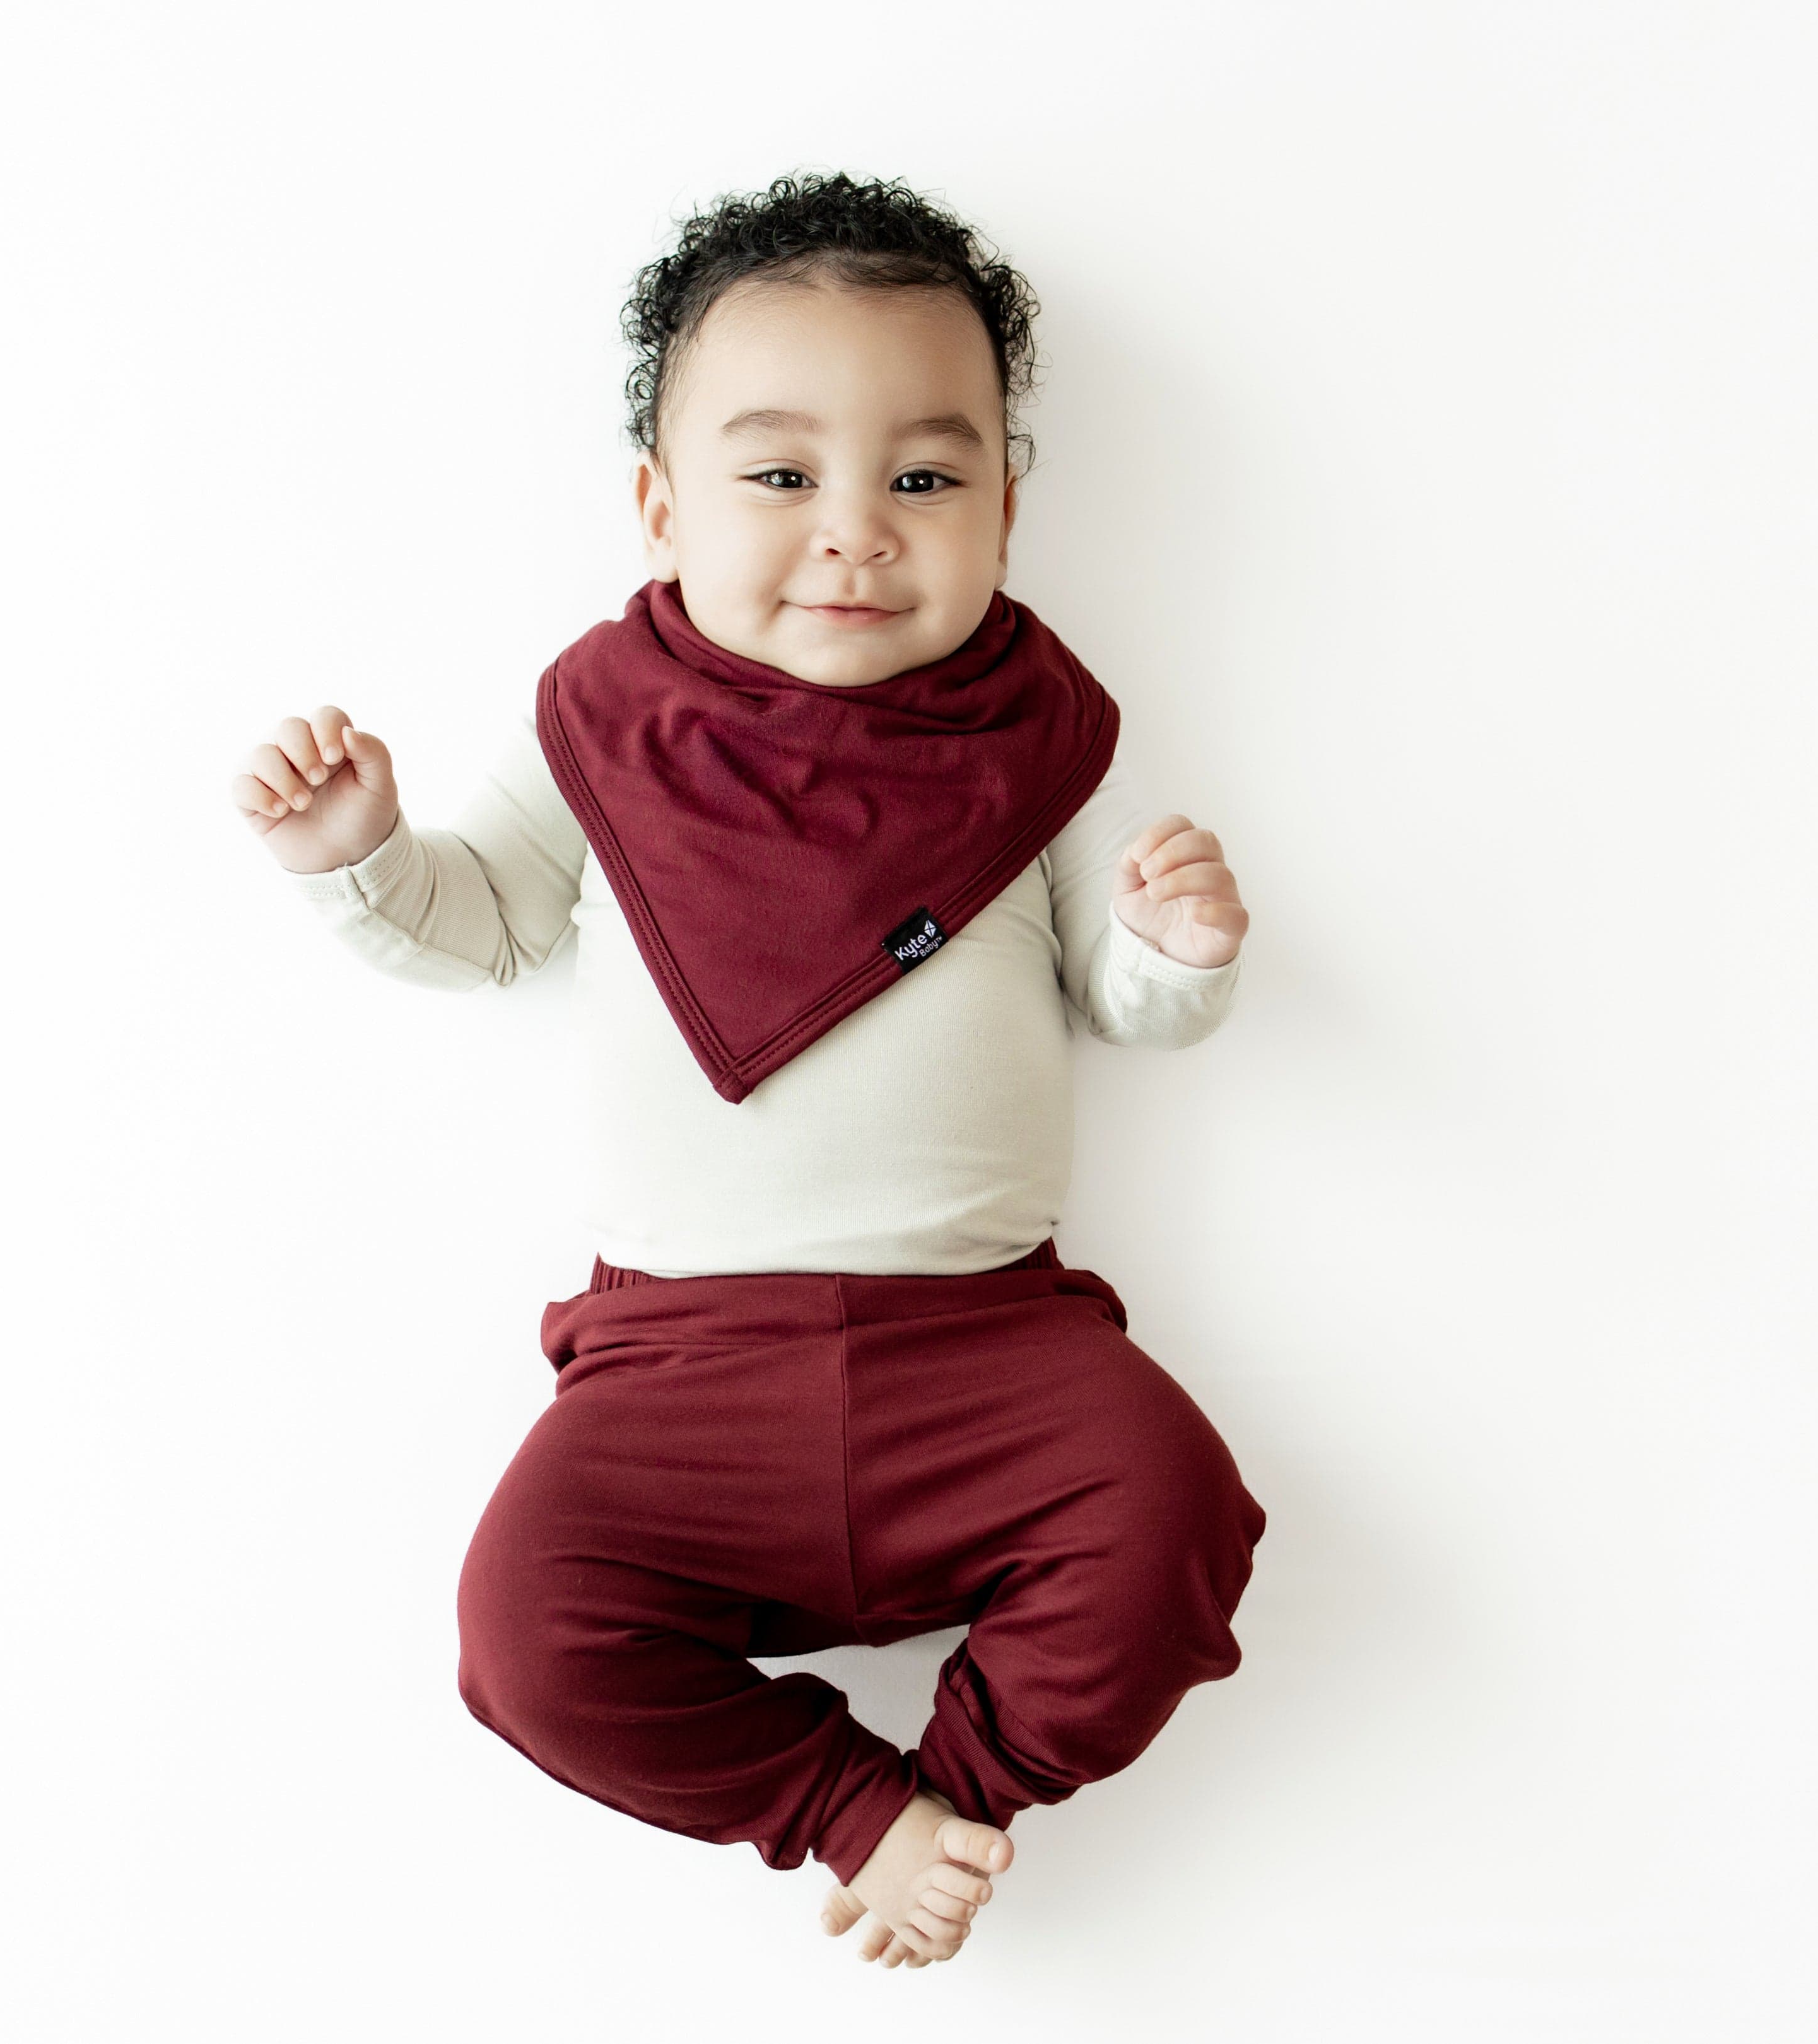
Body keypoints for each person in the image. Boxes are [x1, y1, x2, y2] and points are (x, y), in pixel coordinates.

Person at [229, 170, 1266, 1971]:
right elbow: (483, 929)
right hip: (677, 1360)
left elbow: (1104, 997)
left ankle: (947, 1797)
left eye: (923, 479)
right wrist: (364, 859)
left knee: (1175, 1512)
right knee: (524, 1637)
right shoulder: (599, 730)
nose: (853, 533)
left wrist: (1172, 956)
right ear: (657, 505)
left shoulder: (1035, 748)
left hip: (987, 1343)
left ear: (1007, 508)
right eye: (779, 477)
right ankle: (845, 1807)